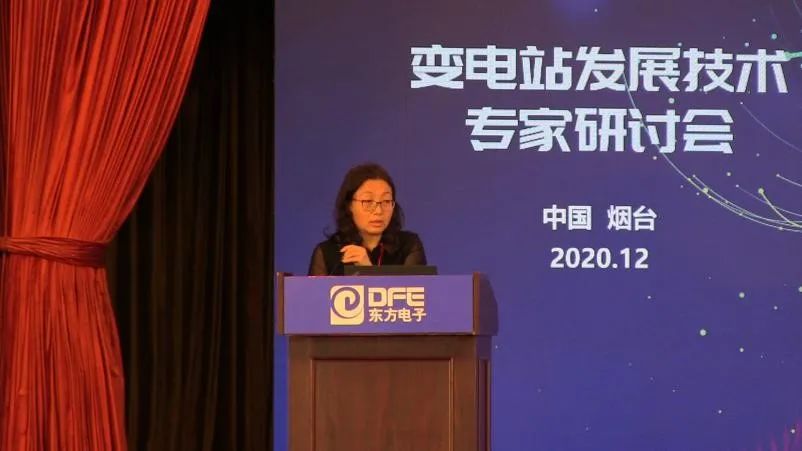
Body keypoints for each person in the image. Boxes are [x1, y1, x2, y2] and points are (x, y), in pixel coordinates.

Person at [308, 163, 427, 275]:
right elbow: (314, 291)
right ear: (349, 205)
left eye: (386, 201)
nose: (378, 211)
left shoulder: (409, 246)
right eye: (368, 201)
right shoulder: (327, 253)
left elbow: (416, 288)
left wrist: (368, 270)